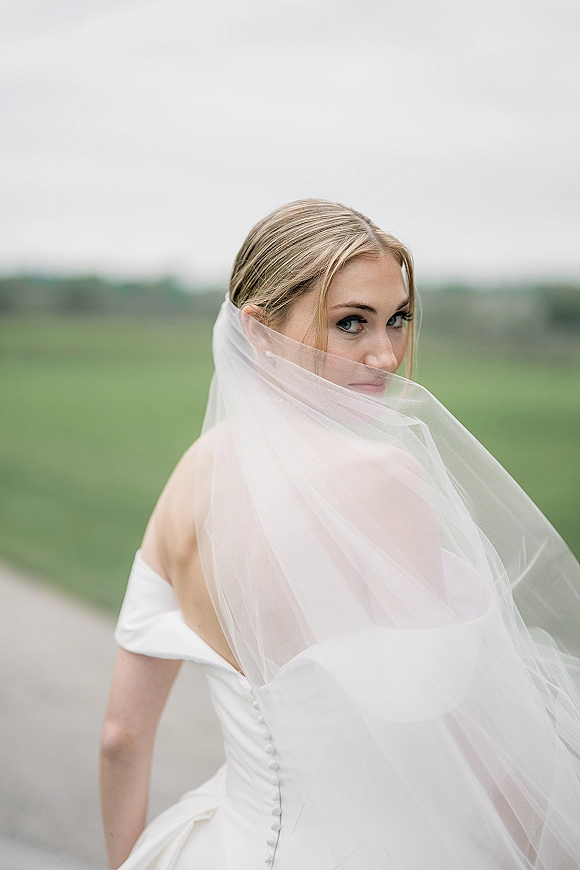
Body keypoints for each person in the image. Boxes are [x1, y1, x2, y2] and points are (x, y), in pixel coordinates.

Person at [100, 199, 580, 870]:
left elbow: (122, 735)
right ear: (260, 331)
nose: (385, 354)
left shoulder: (190, 477)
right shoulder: (385, 478)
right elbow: (461, 740)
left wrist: (130, 860)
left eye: (398, 319)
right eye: (350, 323)